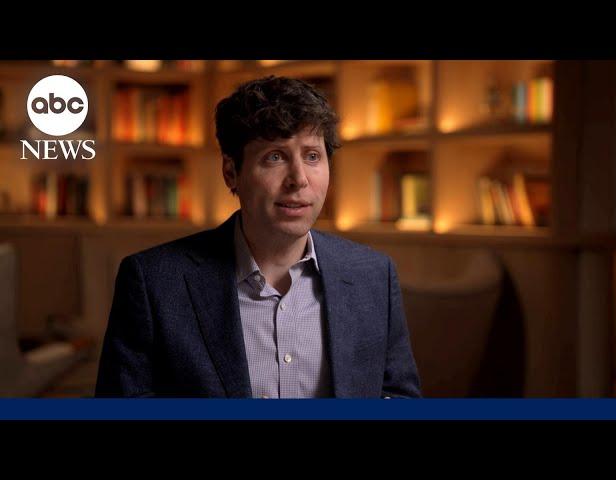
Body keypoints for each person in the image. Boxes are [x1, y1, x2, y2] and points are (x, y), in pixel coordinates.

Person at [95, 75, 421, 398]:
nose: (298, 179)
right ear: (231, 172)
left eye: (312, 156)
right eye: (275, 157)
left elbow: (399, 396)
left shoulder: (373, 276)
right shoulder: (153, 282)